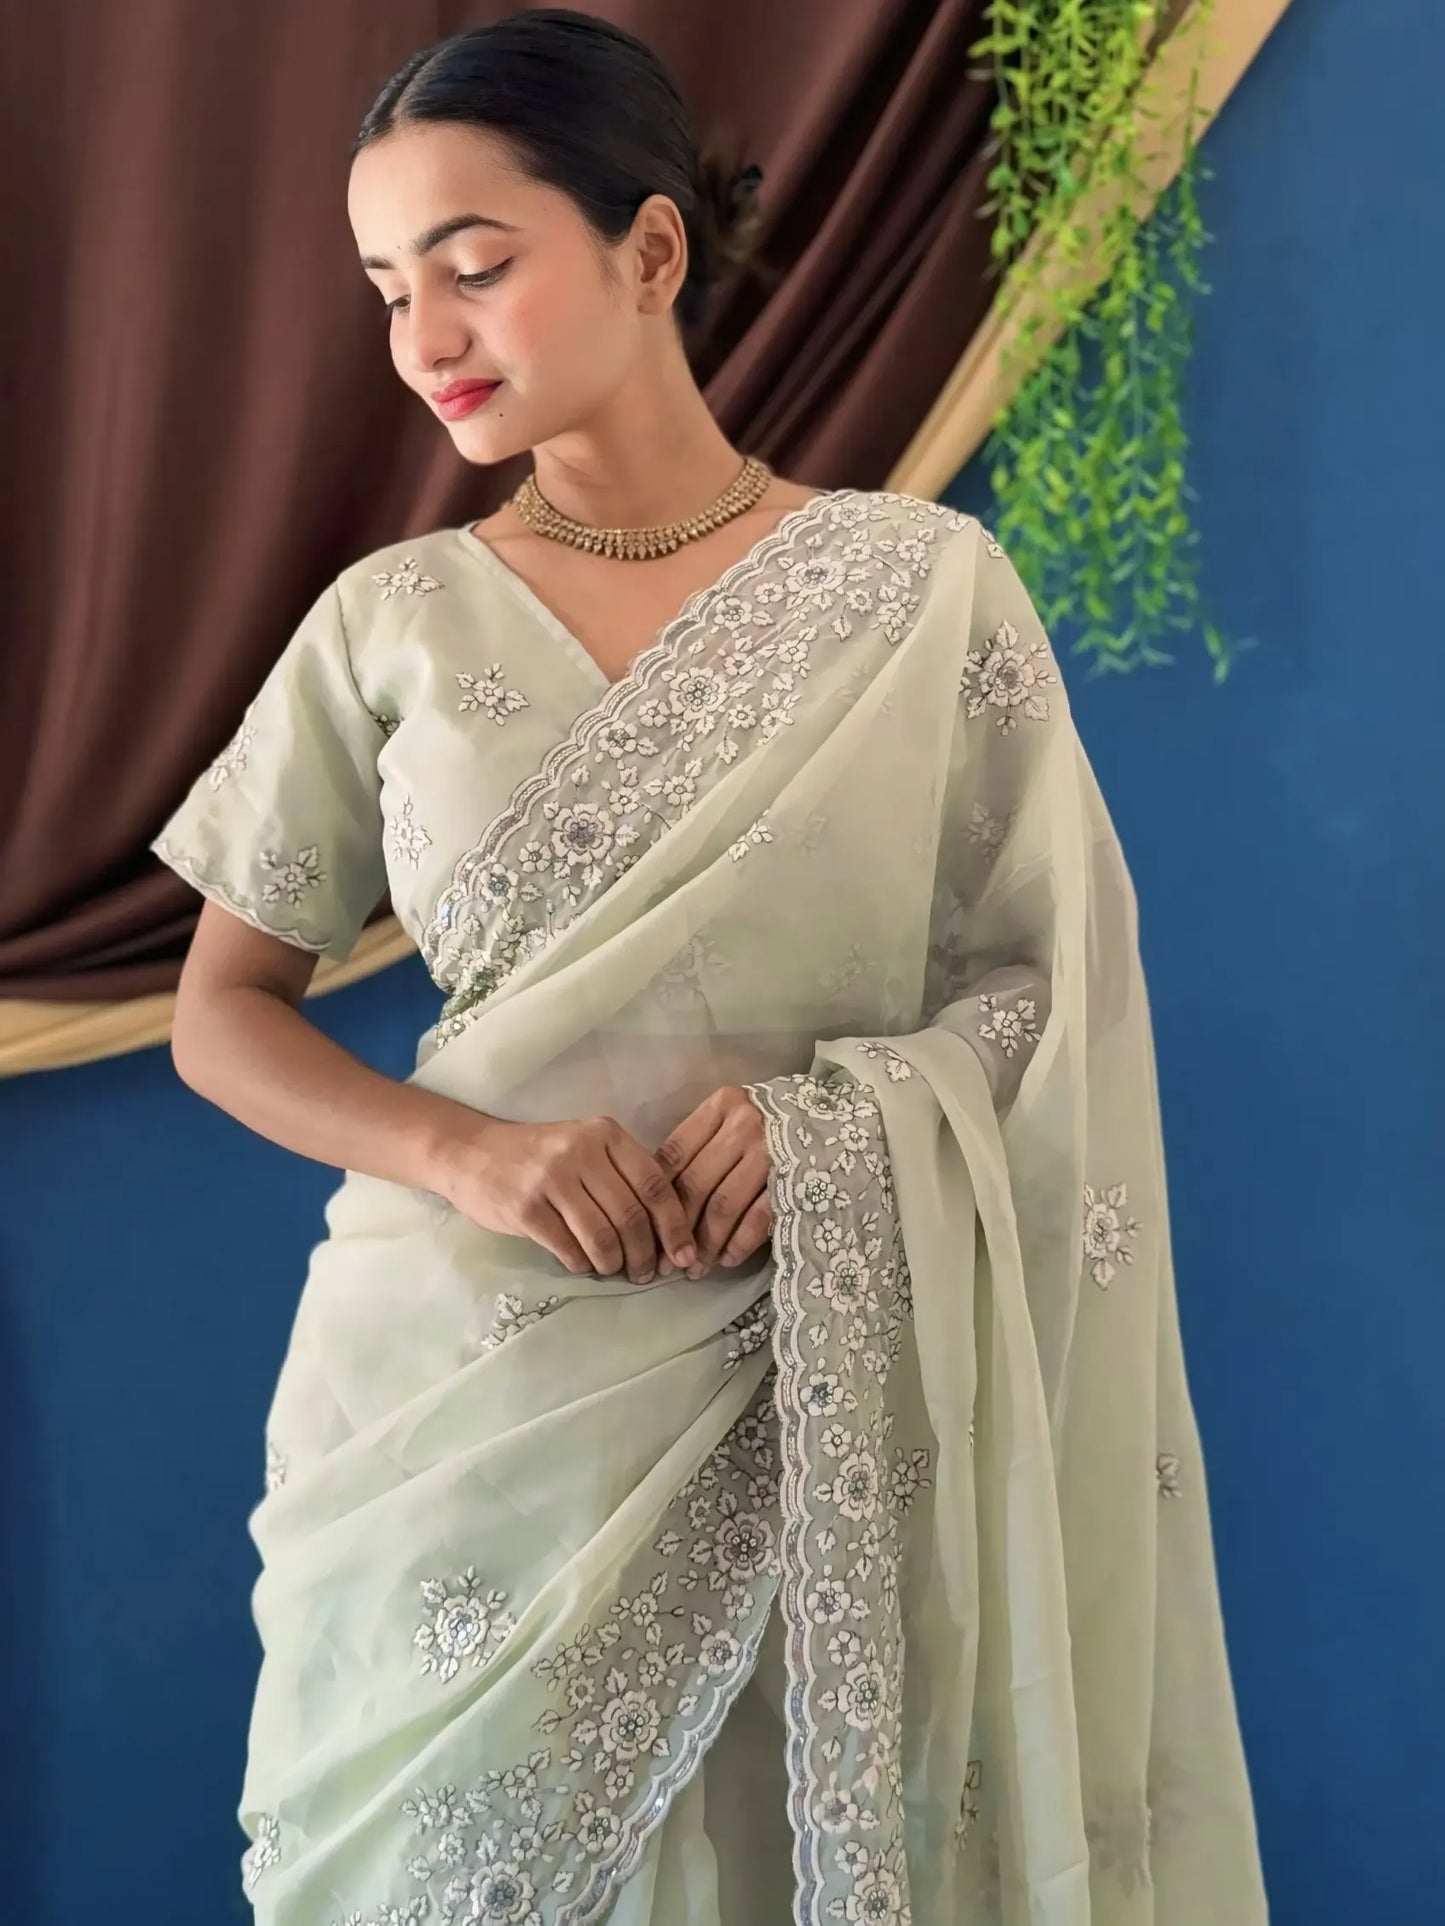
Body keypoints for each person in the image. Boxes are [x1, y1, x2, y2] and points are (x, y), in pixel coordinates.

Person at [151, 10, 1269, 1924]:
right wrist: (466, 1153)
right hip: (461, 1404)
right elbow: (217, 1012)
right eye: (386, 285)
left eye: (478, 265)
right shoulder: (393, 621)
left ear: (650, 251)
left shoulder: (918, 592)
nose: (428, 336)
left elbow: (1042, 980)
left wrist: (834, 1125)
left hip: (818, 1370)